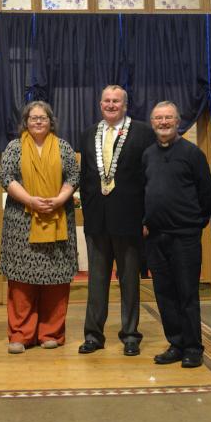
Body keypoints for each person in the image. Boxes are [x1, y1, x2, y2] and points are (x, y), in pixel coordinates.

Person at [77, 85, 155, 356]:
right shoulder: (88, 135)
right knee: (96, 280)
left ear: (125, 105)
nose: (111, 105)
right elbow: (86, 177)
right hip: (97, 220)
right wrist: (88, 209)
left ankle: (131, 334)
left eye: (116, 101)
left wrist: (146, 217)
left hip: (130, 219)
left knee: (129, 280)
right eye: (107, 101)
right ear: (100, 104)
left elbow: (149, 177)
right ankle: (93, 334)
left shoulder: (143, 132)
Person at [0, 101, 79, 354]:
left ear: (50, 121)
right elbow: (7, 178)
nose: (38, 122)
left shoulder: (63, 147)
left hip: (57, 219)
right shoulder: (14, 147)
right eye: (33, 118)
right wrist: (31, 201)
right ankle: (20, 334)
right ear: (26, 121)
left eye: (42, 117)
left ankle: (50, 332)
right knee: (22, 282)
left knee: (55, 280)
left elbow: (73, 177)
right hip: (22, 221)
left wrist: (59, 199)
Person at [143, 101, 211, 368]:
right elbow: (143, 191)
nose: (163, 122)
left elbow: (205, 193)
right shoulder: (148, 154)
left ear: (178, 121)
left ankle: (193, 347)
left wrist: (197, 223)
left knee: (186, 294)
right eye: (158, 118)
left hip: (184, 236)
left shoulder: (192, 153)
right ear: (152, 123)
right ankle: (176, 342)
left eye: (168, 118)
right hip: (155, 236)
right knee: (164, 293)